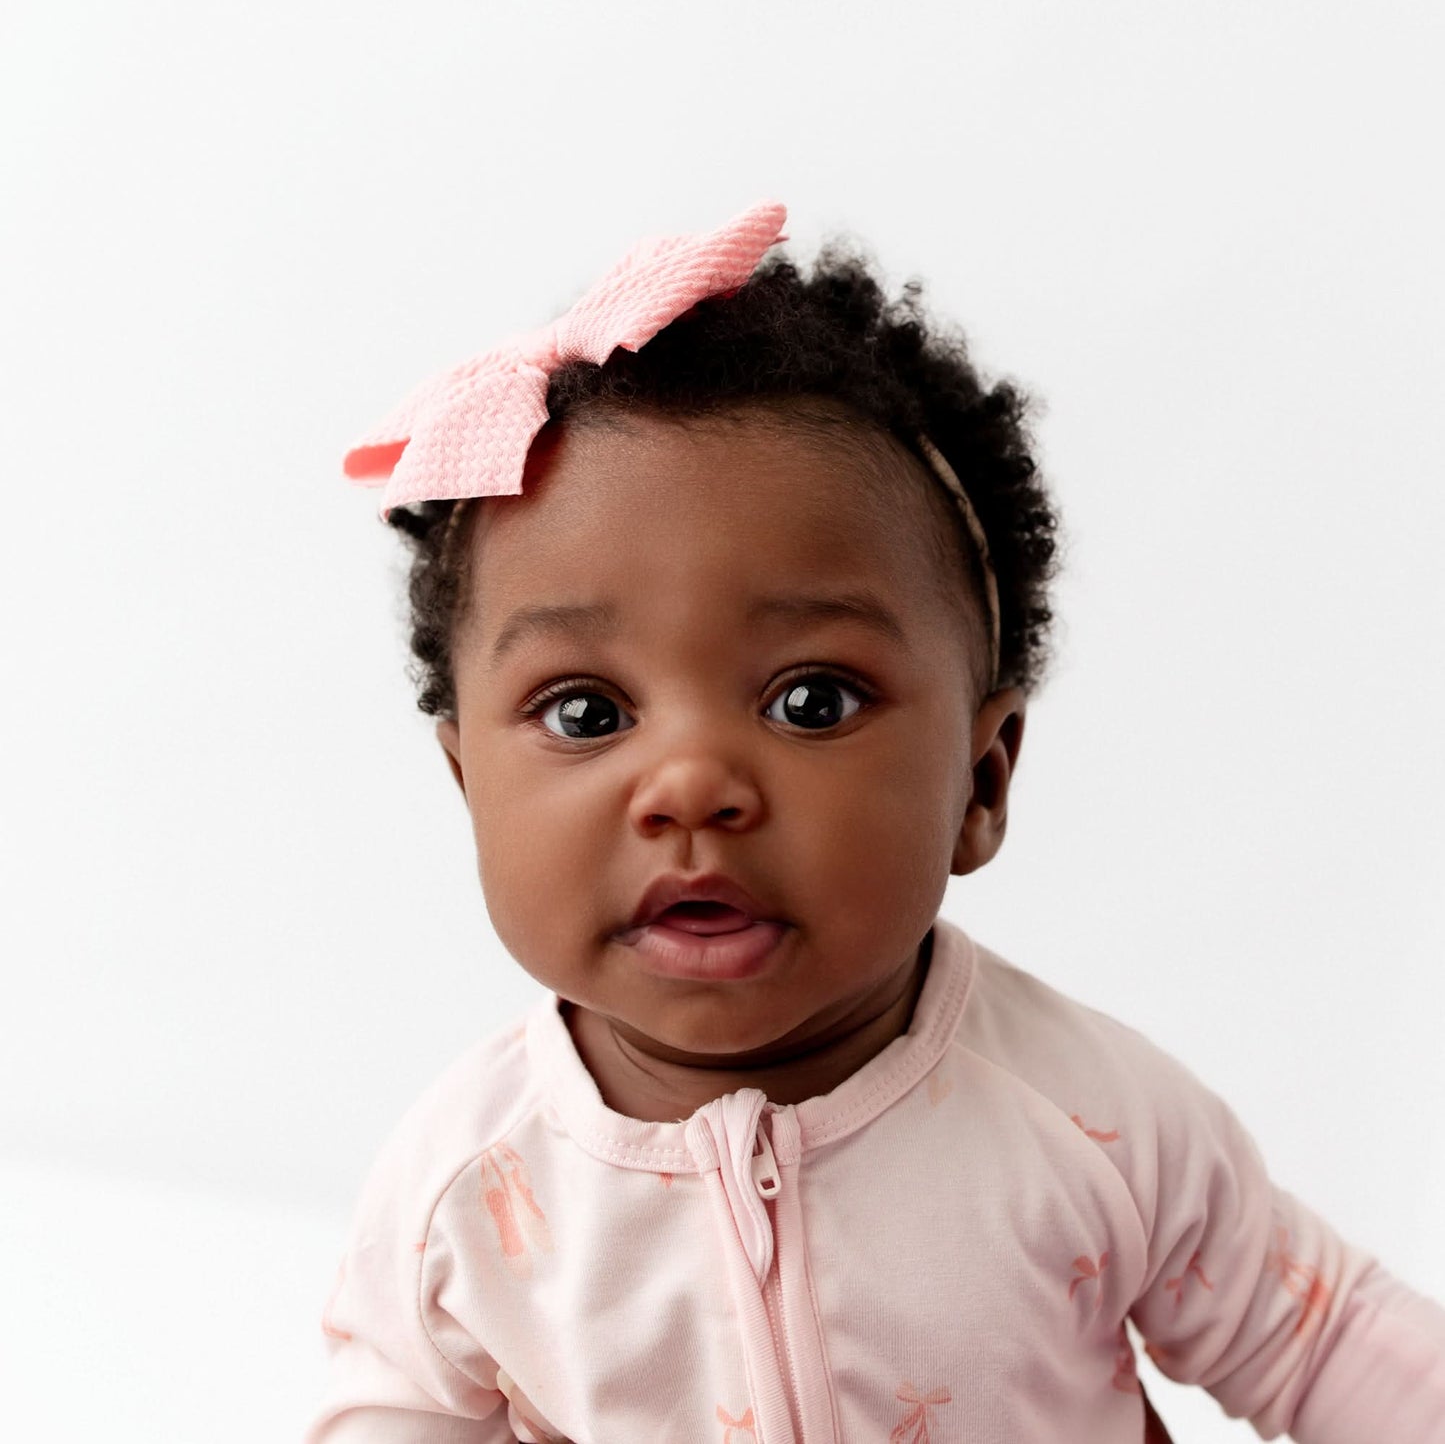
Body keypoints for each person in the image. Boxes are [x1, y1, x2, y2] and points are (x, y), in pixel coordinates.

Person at [307, 202, 1445, 1443]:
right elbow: (395, 1406)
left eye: (810, 699)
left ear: (980, 779)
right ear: (468, 785)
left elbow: (1321, 1336)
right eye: (585, 711)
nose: (690, 784)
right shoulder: (469, 1183)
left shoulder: (1089, 1117)